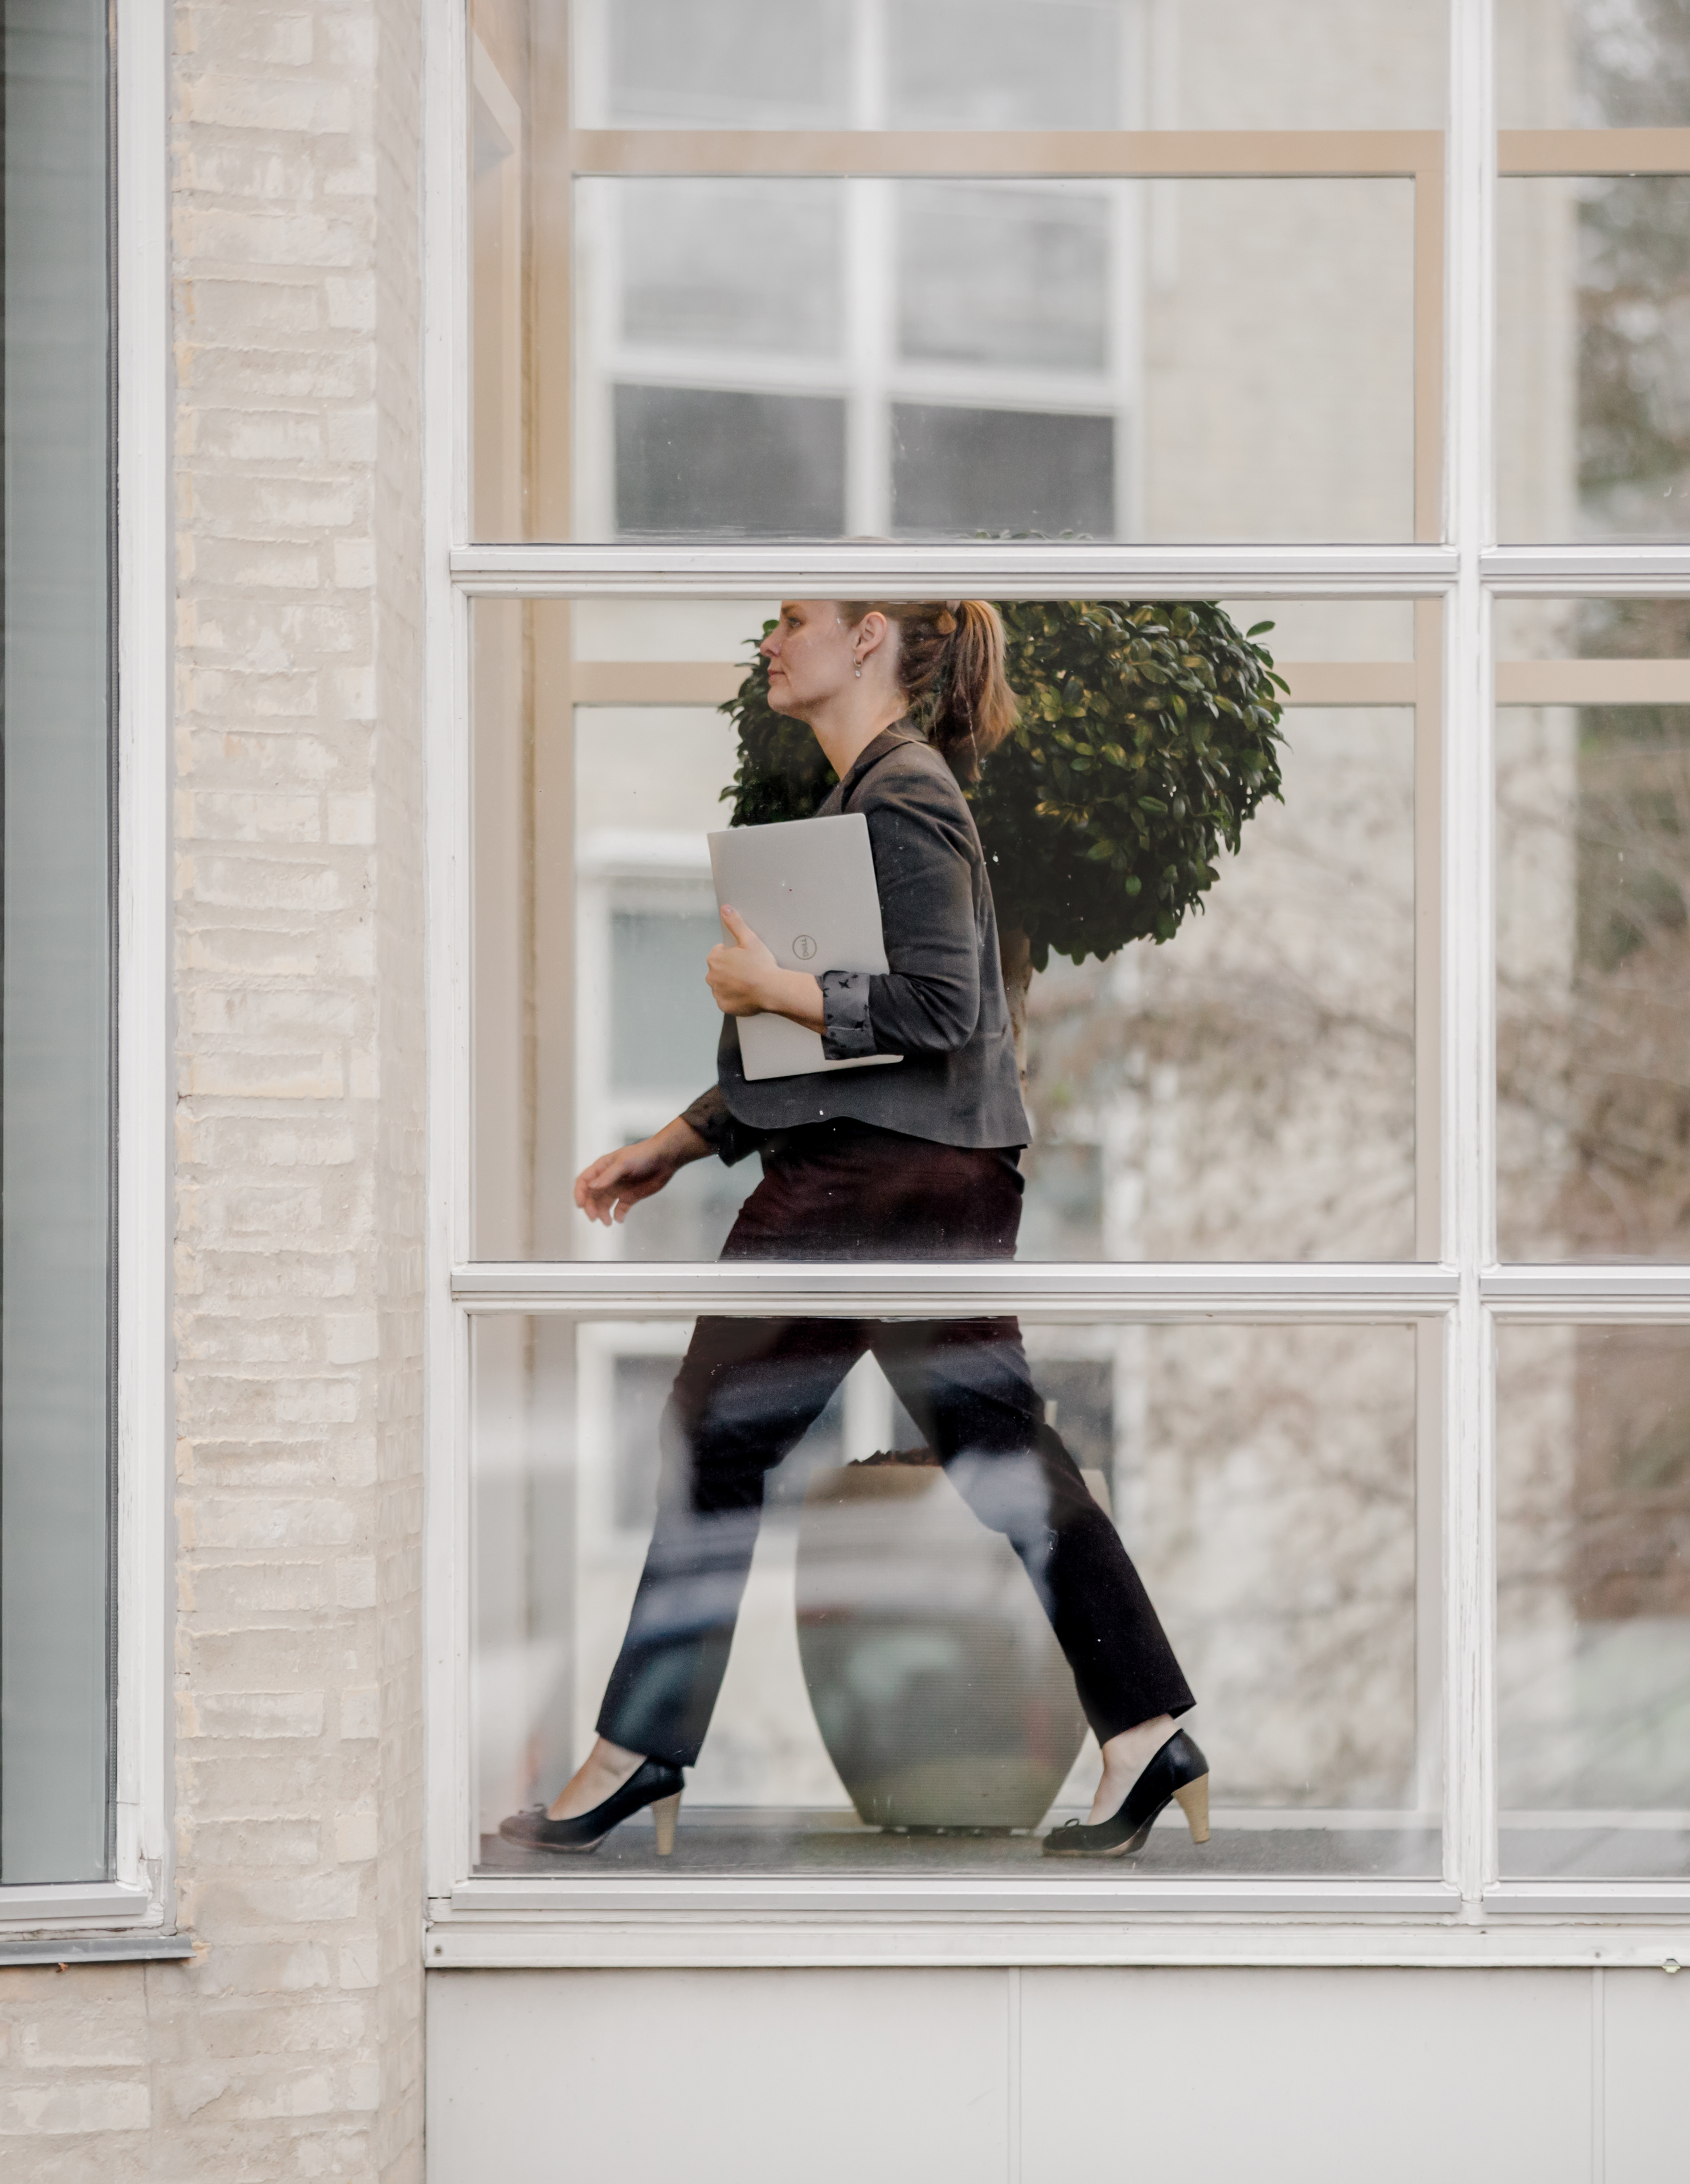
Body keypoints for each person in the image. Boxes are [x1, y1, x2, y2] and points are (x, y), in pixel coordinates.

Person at [497, 597, 1209, 1862]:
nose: (768, 643)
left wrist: (770, 985)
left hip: (868, 1188)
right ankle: (1144, 1727)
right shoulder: (869, 798)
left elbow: (936, 1006)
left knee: (709, 1438)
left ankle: (638, 1746)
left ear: (868, 637)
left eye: (791, 622)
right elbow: (856, 1054)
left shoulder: (904, 796)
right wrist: (685, 1137)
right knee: (1000, 1456)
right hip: (918, 1175)